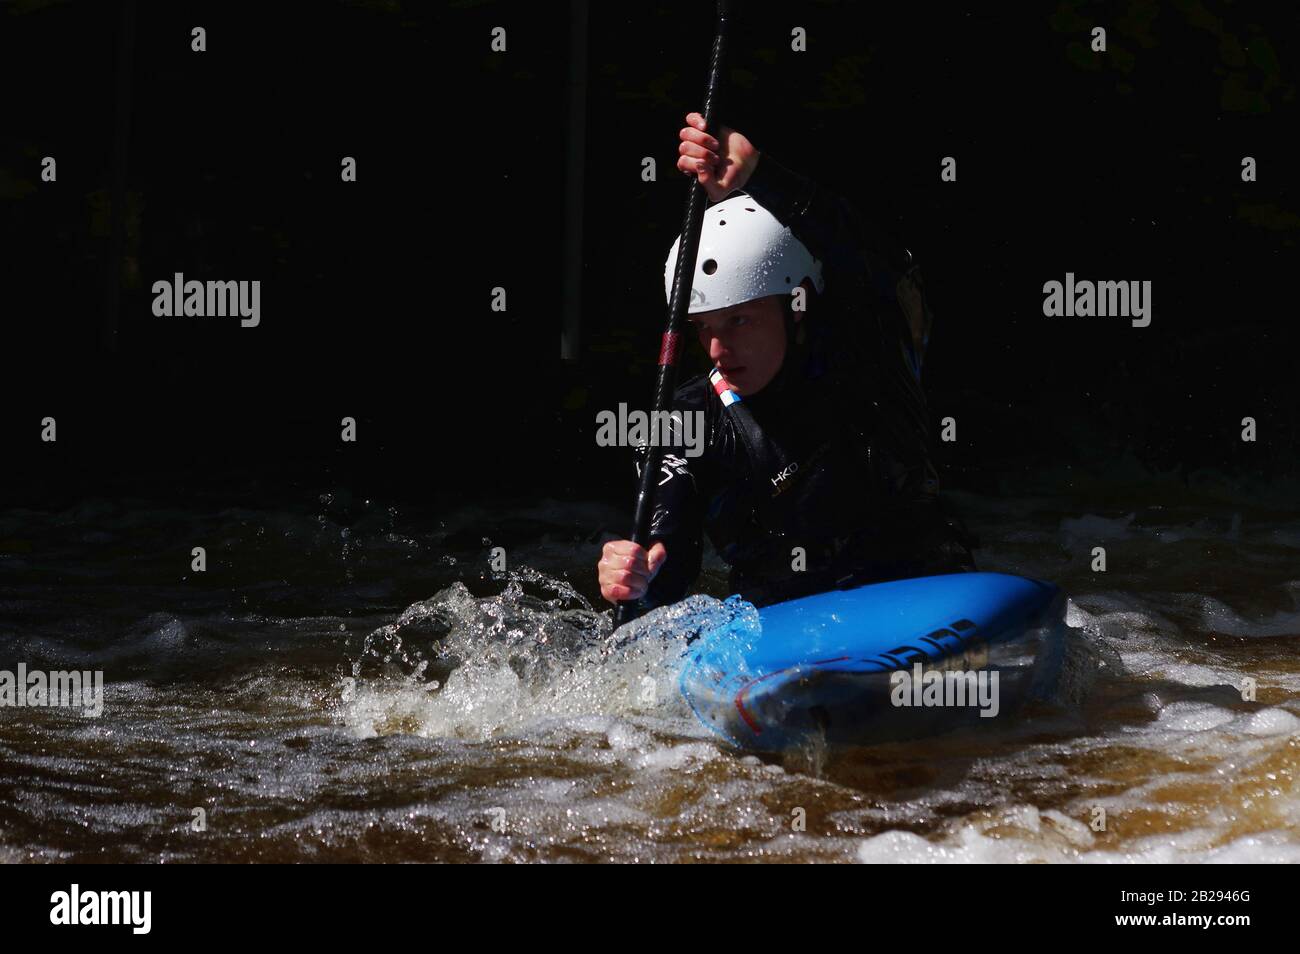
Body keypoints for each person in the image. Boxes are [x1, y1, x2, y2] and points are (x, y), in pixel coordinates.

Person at [597, 112, 975, 611]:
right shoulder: (684, 421)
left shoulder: (870, 357)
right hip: (783, 624)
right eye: (705, 326)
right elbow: (670, 570)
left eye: (740, 321)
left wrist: (761, 177)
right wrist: (638, 575)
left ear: (796, 305)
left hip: (921, 591)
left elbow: (881, 263)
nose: (716, 348)